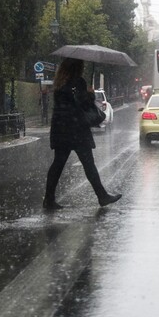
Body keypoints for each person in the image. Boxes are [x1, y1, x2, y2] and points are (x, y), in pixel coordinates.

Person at [43, 57, 121, 210]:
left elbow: (64, 105)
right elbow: (82, 104)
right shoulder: (78, 82)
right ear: (77, 68)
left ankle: (49, 199)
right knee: (88, 164)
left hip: (61, 129)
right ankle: (102, 196)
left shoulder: (59, 84)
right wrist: (90, 94)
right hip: (76, 129)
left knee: (57, 165)